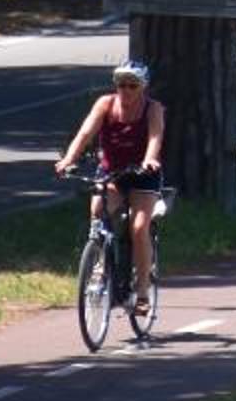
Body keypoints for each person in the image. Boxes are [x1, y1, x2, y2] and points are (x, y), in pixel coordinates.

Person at [56, 61, 165, 307]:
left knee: (139, 228)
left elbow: (155, 137)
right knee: (98, 210)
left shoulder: (153, 109)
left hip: (143, 174)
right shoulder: (105, 104)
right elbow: (85, 134)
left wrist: (149, 159)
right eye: (121, 85)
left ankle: (142, 290)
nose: (126, 90)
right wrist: (68, 159)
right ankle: (99, 262)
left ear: (143, 87)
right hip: (112, 172)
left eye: (132, 86)